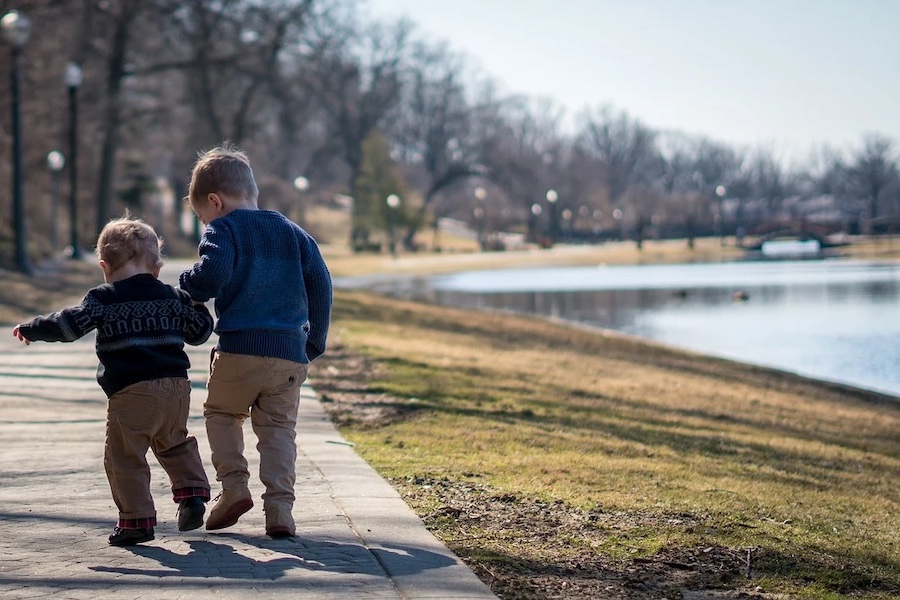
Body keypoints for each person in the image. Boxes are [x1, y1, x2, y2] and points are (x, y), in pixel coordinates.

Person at [12, 217, 214, 546]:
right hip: (176, 388)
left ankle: (136, 521)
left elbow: (69, 325)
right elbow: (199, 332)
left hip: (132, 390)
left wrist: (34, 328)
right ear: (156, 267)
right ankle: (192, 495)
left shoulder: (103, 298)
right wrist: (197, 305)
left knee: (124, 456)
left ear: (104, 266)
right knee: (174, 442)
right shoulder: (171, 296)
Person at [179, 144, 332, 538]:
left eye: (202, 216)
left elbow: (211, 277)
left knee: (222, 414)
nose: (204, 222)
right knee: (279, 430)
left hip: (239, 349)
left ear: (216, 201)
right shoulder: (293, 232)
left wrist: (187, 283)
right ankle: (280, 510)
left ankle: (233, 488)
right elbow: (322, 285)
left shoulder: (224, 228)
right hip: (288, 354)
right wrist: (314, 342)